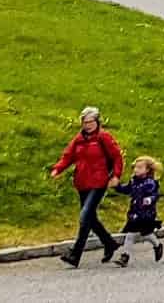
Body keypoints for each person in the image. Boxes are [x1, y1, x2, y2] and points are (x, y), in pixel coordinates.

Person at [47, 106, 125, 267]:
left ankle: (75, 254)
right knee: (90, 218)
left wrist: (116, 175)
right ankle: (109, 243)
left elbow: (117, 156)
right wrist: (57, 169)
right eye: (85, 122)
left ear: (97, 122)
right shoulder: (79, 139)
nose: (88, 125)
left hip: (99, 182)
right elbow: (68, 156)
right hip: (82, 182)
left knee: (85, 216)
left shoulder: (104, 137)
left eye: (91, 122)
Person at [108, 155, 164, 266]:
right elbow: (127, 190)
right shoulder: (134, 181)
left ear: (147, 170)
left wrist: (149, 200)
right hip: (135, 213)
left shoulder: (150, 183)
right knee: (131, 235)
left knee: (146, 234)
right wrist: (117, 186)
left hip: (146, 215)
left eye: (139, 167)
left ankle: (157, 245)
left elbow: (155, 195)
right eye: (135, 167)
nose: (136, 170)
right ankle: (125, 256)